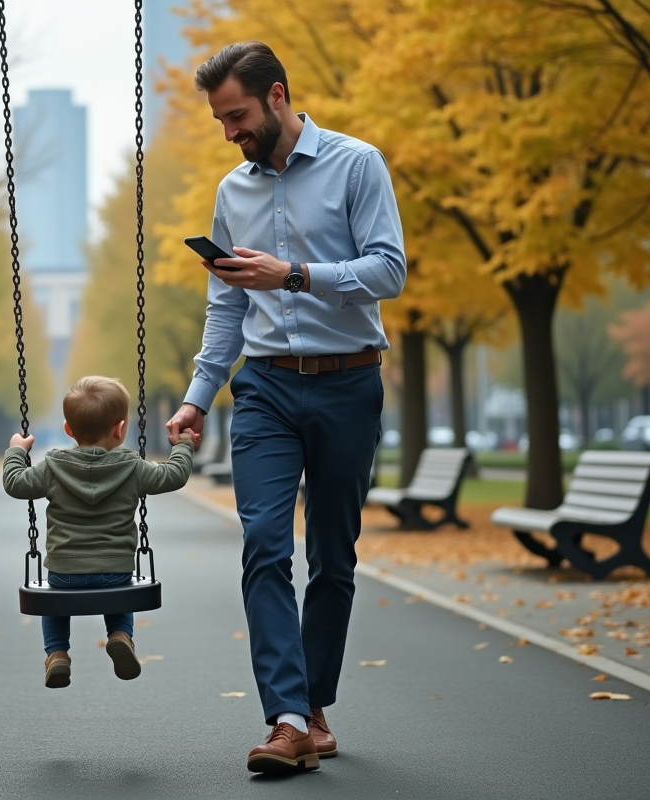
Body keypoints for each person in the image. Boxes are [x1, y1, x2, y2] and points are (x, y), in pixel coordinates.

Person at [165, 42, 406, 774]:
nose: (228, 132)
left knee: (332, 558)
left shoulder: (357, 163)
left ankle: (314, 708)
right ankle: (289, 718)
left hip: (348, 382)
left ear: (276, 97)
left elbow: (388, 268)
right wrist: (197, 398)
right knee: (264, 543)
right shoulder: (231, 191)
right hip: (265, 389)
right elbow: (226, 307)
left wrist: (295, 275)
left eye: (236, 115)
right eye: (218, 120)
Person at [3, 376, 195, 689]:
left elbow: (15, 484)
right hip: (116, 569)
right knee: (119, 600)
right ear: (121, 429)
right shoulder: (132, 466)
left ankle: (57, 654)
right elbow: (173, 476)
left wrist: (16, 451)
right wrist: (183, 446)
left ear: (68, 429)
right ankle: (120, 635)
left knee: (53, 606)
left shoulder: (52, 467)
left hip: (63, 572)